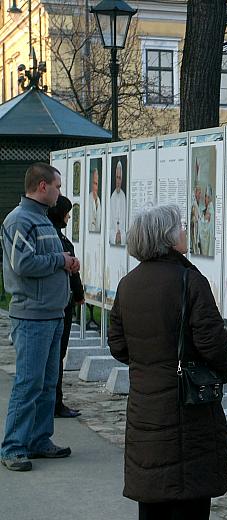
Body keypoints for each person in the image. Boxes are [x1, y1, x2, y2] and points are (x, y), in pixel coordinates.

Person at [107, 204, 227, 518]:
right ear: (166, 237)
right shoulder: (189, 281)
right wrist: (222, 371)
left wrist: (149, 363)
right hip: (187, 405)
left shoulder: (128, 284)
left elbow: (118, 345)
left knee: (152, 492)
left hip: (144, 405)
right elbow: (212, 343)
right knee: (189, 494)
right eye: (179, 227)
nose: (185, 232)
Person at [1, 163, 80, 472]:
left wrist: (65, 264)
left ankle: (39, 439)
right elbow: (22, 263)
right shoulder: (20, 220)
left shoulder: (42, 220)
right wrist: (60, 260)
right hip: (32, 316)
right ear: (43, 187)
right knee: (29, 383)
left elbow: (43, 260)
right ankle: (13, 447)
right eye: (57, 186)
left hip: (51, 313)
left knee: (47, 383)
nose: (60, 192)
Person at [47, 195, 85, 418]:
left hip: (60, 300)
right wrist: (79, 295)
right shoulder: (57, 239)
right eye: (66, 212)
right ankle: (54, 402)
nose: (69, 217)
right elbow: (72, 273)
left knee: (56, 356)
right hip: (61, 303)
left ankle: (54, 401)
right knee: (56, 355)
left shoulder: (55, 236)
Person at [109, 161, 127, 246]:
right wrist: (114, 236)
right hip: (113, 238)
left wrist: (122, 236)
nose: (118, 181)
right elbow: (108, 224)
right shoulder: (111, 197)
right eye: (117, 177)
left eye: (120, 178)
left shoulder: (125, 197)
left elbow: (127, 224)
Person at [88, 168, 101, 233]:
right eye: (93, 183)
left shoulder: (98, 200)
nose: (94, 187)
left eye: (96, 184)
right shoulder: (88, 199)